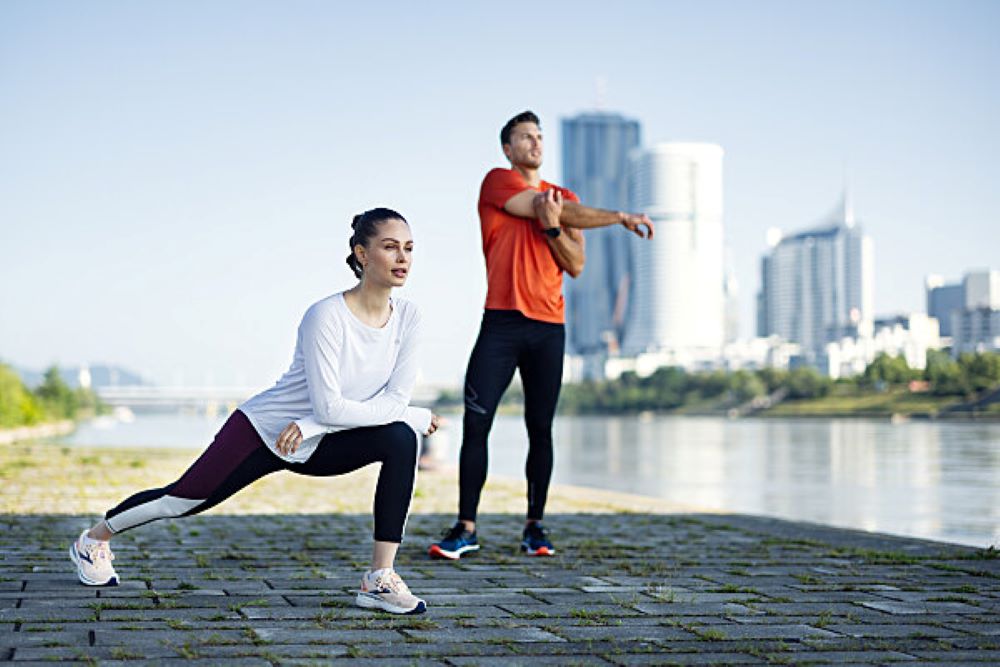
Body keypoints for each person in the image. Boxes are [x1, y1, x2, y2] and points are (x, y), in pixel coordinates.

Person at [69, 207, 439, 615]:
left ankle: (379, 579)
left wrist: (335, 422)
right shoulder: (326, 315)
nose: (403, 258)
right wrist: (408, 414)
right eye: (390, 247)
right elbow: (330, 405)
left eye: (408, 248)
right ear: (362, 254)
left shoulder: (409, 318)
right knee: (181, 500)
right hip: (265, 431)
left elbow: (392, 402)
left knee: (400, 439)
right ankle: (94, 539)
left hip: (319, 438)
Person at [429, 110, 654, 560]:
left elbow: (575, 264)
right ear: (508, 148)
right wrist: (618, 217)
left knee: (541, 429)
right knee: (477, 423)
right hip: (501, 322)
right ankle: (465, 528)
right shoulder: (498, 182)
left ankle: (535, 527)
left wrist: (553, 227)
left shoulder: (565, 198)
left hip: (548, 328)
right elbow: (544, 208)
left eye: (539, 136)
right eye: (524, 137)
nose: (534, 143)